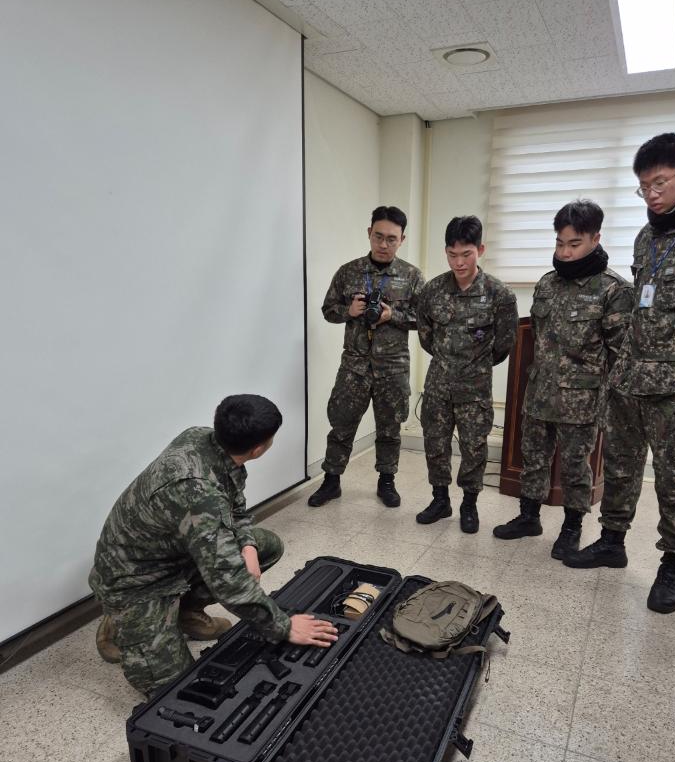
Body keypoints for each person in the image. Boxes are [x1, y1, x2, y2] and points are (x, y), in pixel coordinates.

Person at [90, 394, 338, 696]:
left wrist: (248, 546)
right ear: (259, 449)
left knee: (266, 546)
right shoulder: (198, 493)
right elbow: (229, 584)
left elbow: (235, 507)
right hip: (136, 582)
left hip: (176, 553)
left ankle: (185, 613)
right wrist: (283, 626)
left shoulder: (205, 440)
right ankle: (121, 624)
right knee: (172, 688)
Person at [566, 133, 675, 615]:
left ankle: (674, 563)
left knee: (673, 478)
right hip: (630, 376)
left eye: (660, 183)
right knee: (620, 464)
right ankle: (612, 541)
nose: (651, 195)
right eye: (643, 187)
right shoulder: (647, 236)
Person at [493, 201, 634, 557]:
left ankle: (572, 527)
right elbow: (540, 337)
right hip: (540, 390)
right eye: (560, 243)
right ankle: (529, 516)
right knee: (533, 457)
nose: (565, 253)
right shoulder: (547, 284)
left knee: (574, 466)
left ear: (595, 239)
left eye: (574, 244)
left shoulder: (614, 290)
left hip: (581, 400)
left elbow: (619, 355)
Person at [308, 206, 425, 509]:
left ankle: (386, 481)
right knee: (341, 424)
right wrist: (348, 311)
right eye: (378, 236)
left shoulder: (412, 276)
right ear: (369, 233)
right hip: (354, 366)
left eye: (391, 239)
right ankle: (331, 480)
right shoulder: (348, 272)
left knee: (390, 428)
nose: (384, 244)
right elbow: (328, 310)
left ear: (402, 239)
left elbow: (425, 319)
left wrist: (393, 314)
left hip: (393, 366)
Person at [415, 215, 518, 533]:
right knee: (435, 444)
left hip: (475, 388)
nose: (459, 262)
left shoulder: (500, 295)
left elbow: (503, 345)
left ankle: (469, 505)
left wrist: (473, 366)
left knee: (474, 448)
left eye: (466, 254)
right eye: (452, 254)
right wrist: (449, 362)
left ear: (480, 250)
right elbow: (426, 338)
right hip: (438, 385)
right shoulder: (432, 291)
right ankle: (440, 499)